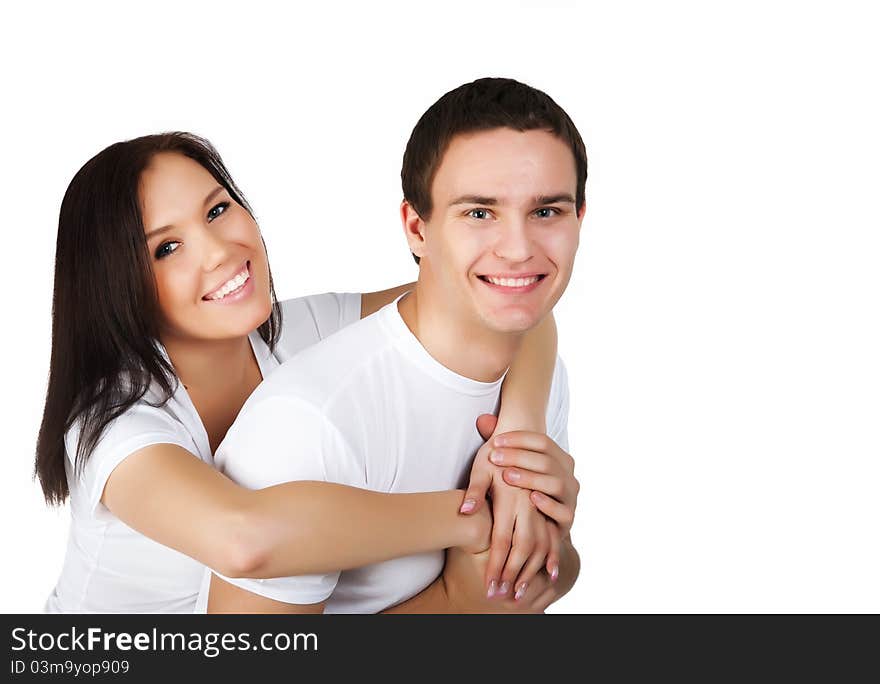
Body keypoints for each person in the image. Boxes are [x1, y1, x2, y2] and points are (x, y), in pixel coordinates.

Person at [36, 131, 569, 613]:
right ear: (117, 285)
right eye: (167, 248)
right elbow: (244, 541)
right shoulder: (113, 424)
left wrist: (517, 447)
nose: (220, 251)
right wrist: (477, 518)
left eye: (218, 210)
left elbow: (495, 304)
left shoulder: (300, 332)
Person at [203, 77, 586, 613]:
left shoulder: (540, 374)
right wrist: (458, 601)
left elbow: (545, 573)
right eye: (479, 212)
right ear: (416, 228)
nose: (519, 249)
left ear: (579, 219)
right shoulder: (309, 423)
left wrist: (550, 546)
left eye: (547, 211)